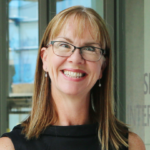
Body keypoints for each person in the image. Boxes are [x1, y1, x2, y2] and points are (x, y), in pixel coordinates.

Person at [0, 6, 145, 150]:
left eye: (89, 48)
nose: (75, 59)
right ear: (45, 58)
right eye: (64, 45)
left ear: (102, 67)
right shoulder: (8, 146)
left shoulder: (131, 145)